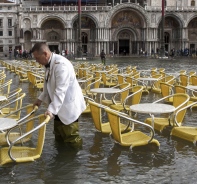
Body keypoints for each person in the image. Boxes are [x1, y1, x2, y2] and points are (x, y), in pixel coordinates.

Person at [32, 42, 86, 148]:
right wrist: (40, 99)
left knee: (71, 137)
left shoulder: (61, 65)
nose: (36, 61)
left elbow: (60, 90)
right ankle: (61, 158)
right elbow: (47, 84)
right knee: (58, 133)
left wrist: (51, 110)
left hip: (68, 106)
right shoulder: (48, 64)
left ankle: (75, 159)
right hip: (57, 106)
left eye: (37, 58)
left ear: (45, 54)